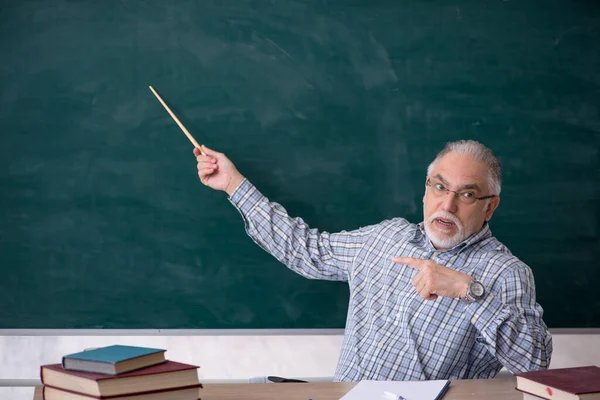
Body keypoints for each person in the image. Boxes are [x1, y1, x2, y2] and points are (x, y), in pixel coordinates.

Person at [193, 140, 552, 381]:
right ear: (425, 188)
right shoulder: (386, 238)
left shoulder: (506, 273)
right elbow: (306, 250)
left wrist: (468, 290)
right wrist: (233, 185)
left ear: (490, 205)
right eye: (439, 187)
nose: (447, 205)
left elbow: (534, 365)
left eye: (467, 194)